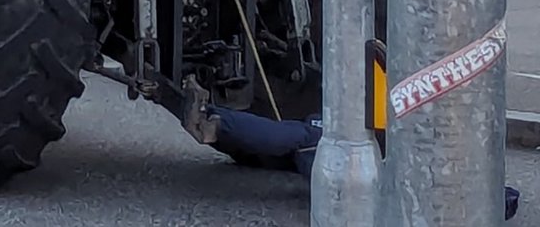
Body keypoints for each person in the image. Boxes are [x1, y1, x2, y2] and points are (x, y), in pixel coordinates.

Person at [181, 76, 521, 220]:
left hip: (353, 160)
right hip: (358, 170)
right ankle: (223, 131)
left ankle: (216, 123)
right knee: (286, 152)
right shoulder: (438, 195)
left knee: (297, 140)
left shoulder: (436, 188)